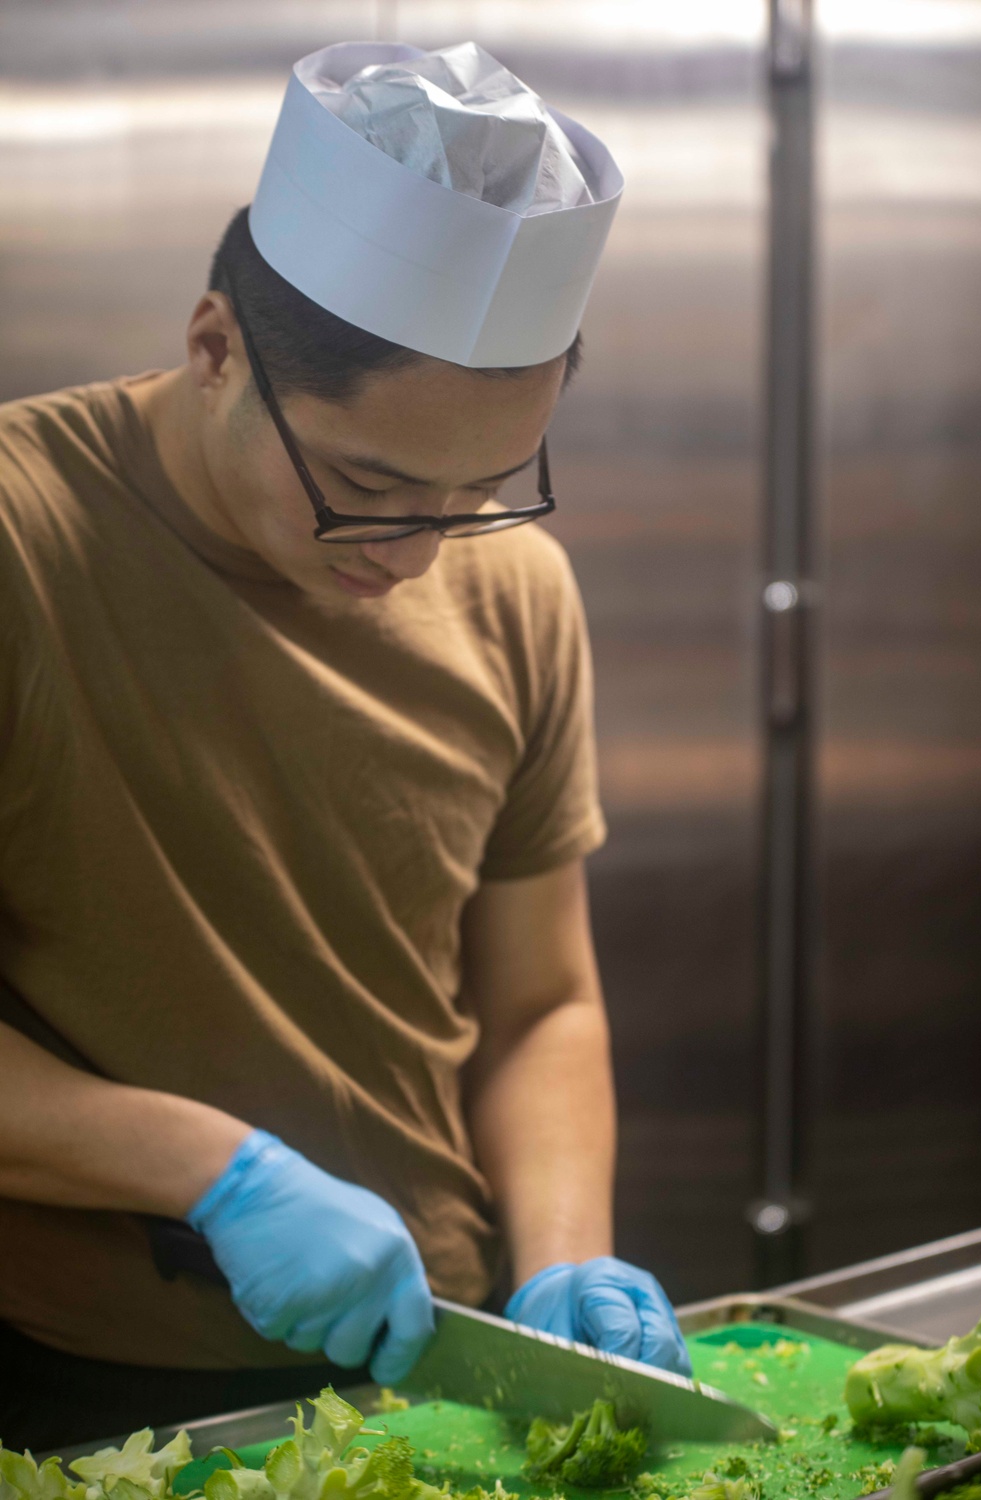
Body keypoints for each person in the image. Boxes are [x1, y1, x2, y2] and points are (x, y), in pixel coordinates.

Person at [0, 40, 689, 1452]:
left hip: (443, 1361)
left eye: (482, 490)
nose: (422, 553)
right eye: (369, 486)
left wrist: (563, 1254)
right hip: (82, 1392)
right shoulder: (24, 540)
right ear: (214, 349)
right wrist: (213, 1171)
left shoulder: (514, 593)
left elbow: (543, 1003)